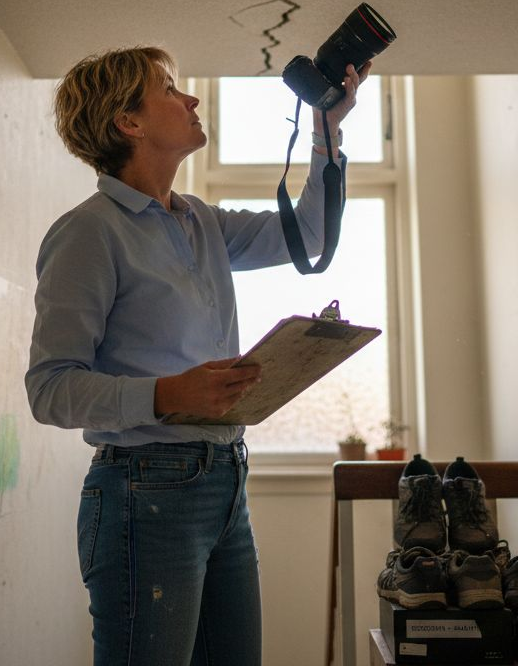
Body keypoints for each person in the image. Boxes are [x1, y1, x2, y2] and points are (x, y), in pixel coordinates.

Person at [26, 45, 370, 665]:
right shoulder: (88, 232)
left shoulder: (200, 222)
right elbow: (50, 390)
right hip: (144, 491)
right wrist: (168, 394)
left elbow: (311, 235)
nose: (190, 98)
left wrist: (327, 130)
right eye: (168, 88)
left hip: (225, 478)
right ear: (128, 122)